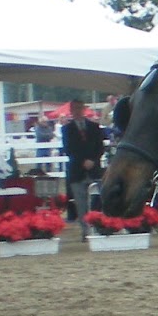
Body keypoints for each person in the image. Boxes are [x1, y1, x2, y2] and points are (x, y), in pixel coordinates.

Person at [60, 99, 105, 234]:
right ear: (71, 111)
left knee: (97, 201)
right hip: (77, 171)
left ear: (84, 109)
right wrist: (82, 161)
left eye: (80, 108)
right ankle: (86, 231)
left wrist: (93, 160)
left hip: (95, 170)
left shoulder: (94, 127)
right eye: (75, 109)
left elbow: (100, 147)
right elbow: (68, 149)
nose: (78, 111)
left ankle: (98, 227)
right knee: (81, 204)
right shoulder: (66, 129)